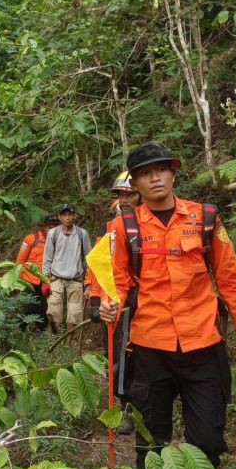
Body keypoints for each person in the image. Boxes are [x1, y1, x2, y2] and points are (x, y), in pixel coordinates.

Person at [99, 141, 236, 469]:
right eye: (145, 173)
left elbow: (230, 278)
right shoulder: (123, 228)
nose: (155, 177)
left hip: (203, 347)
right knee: (151, 443)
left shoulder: (206, 219)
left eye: (161, 169)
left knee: (208, 439)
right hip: (149, 349)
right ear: (135, 183)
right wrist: (108, 303)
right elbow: (116, 280)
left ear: (174, 173)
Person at [87, 171, 141, 434]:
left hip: (148, 303)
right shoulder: (109, 231)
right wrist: (96, 299)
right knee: (119, 358)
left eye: (129, 194)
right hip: (119, 305)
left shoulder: (154, 226)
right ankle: (126, 409)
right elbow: (99, 267)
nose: (124, 200)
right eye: (120, 195)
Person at [42, 204, 92, 341]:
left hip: (75, 279)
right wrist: (45, 280)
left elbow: (89, 259)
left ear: (75, 216)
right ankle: (55, 339)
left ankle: (70, 343)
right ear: (60, 217)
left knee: (75, 314)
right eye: (64, 215)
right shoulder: (53, 233)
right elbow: (47, 258)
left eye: (70, 214)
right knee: (53, 312)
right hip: (56, 278)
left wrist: (88, 284)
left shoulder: (82, 234)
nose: (68, 218)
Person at [15, 214, 59, 329]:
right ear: (43, 227)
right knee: (27, 309)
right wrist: (17, 280)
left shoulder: (58, 242)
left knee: (43, 311)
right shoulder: (30, 239)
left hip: (46, 282)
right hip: (29, 282)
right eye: (50, 227)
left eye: (55, 228)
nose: (52, 231)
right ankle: (20, 334)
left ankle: (42, 336)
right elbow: (20, 261)